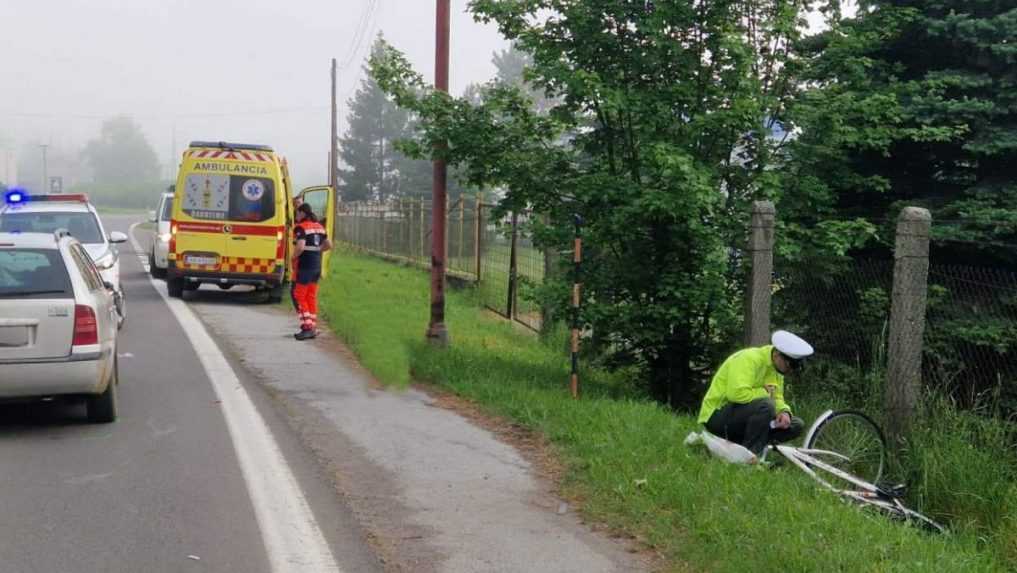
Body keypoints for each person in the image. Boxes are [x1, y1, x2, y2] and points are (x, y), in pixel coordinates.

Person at [697, 330, 814, 456]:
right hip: (716, 416)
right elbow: (736, 394)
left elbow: (777, 396)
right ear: (777, 355)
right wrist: (764, 392)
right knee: (767, 405)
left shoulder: (777, 369)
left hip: (741, 417)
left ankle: (744, 447)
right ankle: (748, 458)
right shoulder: (748, 359)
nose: (790, 370)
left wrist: (784, 412)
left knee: (796, 425)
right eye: (790, 365)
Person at [291, 203, 332, 340]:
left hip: (305, 266)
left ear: (302, 213)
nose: (296, 216)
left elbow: (300, 246)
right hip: (316, 266)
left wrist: (293, 257)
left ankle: (307, 327)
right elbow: (329, 245)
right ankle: (313, 326)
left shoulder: (301, 227)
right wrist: (317, 251)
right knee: (310, 296)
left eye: (297, 213)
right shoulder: (319, 226)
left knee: (299, 296)